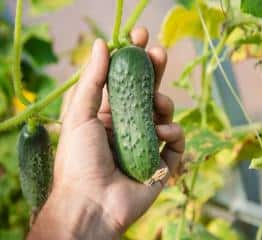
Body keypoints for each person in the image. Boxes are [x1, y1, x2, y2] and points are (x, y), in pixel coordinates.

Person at [27, 27, 185, 240]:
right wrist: (80, 195)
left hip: (139, 168)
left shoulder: (126, 61)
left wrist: (80, 203)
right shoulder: (126, 61)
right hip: (140, 165)